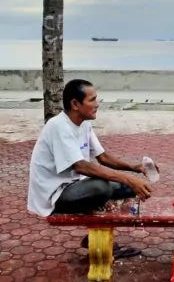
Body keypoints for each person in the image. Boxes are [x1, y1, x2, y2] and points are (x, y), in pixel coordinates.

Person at [27, 79, 158, 258]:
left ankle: (95, 238)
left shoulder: (84, 123)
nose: (97, 104)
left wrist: (135, 168)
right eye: (92, 100)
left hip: (75, 185)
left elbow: (102, 157)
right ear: (75, 104)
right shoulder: (59, 126)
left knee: (126, 188)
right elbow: (81, 166)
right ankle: (98, 240)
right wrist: (128, 178)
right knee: (101, 187)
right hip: (54, 194)